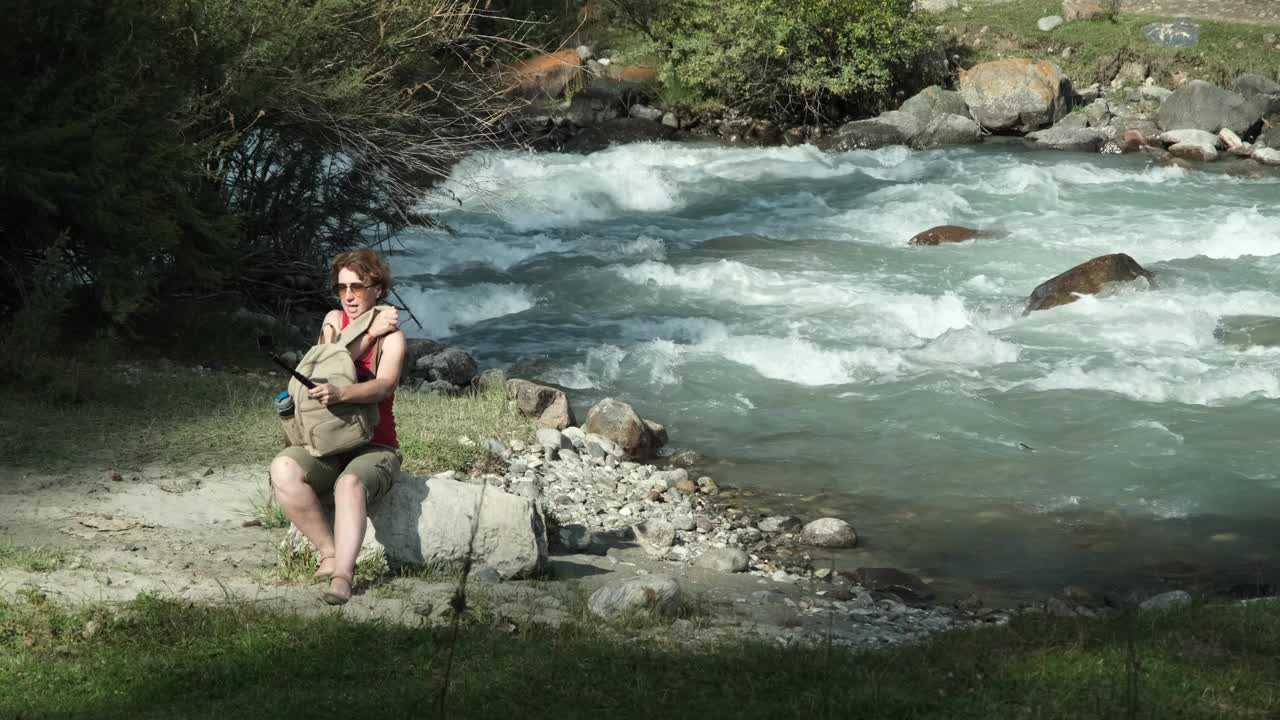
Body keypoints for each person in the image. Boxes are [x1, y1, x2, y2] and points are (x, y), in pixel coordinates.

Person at [269, 249, 406, 605]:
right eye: (342, 287)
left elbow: (384, 385)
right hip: (328, 443)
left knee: (349, 484)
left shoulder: (392, 338)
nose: (348, 296)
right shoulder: (333, 320)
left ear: (377, 289)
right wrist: (366, 332)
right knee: (283, 468)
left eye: (358, 287)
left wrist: (343, 391)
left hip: (376, 446)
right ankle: (327, 552)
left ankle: (343, 576)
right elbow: (327, 364)